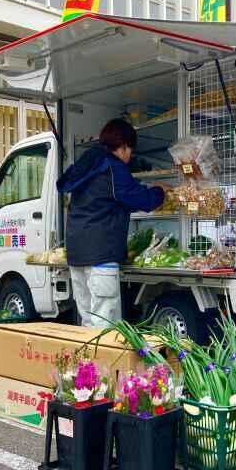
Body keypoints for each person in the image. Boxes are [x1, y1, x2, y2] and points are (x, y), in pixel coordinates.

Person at [57, 118, 165, 327]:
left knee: (88, 320)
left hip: (77, 255)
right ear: (123, 146)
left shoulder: (88, 164)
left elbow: (111, 202)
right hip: (100, 256)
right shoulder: (113, 167)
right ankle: (103, 361)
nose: (130, 156)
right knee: (105, 323)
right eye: (129, 150)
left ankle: (89, 361)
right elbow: (141, 200)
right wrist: (160, 191)